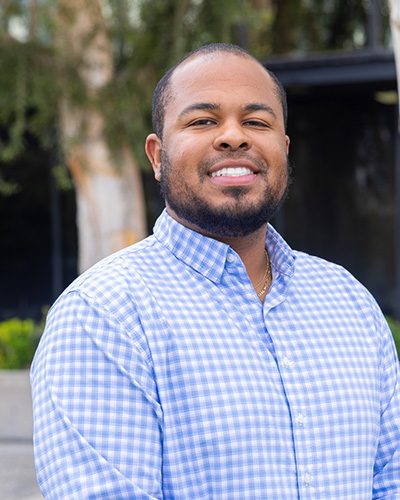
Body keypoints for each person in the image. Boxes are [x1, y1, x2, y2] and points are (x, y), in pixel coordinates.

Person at [31, 43, 400, 499]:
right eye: (203, 121)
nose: (233, 137)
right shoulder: (103, 316)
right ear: (157, 156)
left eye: (257, 122)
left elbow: (391, 480)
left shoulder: (349, 303)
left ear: (283, 150)